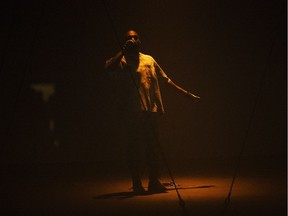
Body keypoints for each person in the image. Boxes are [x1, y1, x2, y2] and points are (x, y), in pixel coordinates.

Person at [105, 30, 200, 194]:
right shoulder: (120, 60)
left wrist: (186, 94)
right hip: (133, 112)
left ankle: (153, 181)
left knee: (153, 147)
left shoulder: (148, 59)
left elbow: (166, 80)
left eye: (135, 37)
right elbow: (108, 68)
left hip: (151, 111)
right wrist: (123, 49)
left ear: (140, 41)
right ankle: (136, 184)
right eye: (129, 38)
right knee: (134, 147)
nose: (133, 40)